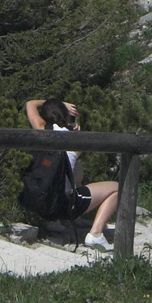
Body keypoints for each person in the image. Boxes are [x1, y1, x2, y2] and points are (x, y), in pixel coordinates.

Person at [25, 97, 119, 250]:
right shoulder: (74, 140)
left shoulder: (41, 128)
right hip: (61, 206)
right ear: (67, 117)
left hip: (36, 200)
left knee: (74, 169)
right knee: (117, 188)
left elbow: (30, 104)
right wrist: (76, 129)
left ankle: (54, 222)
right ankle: (95, 234)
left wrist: (58, 104)